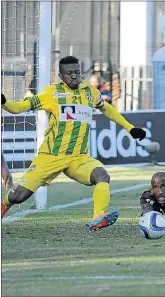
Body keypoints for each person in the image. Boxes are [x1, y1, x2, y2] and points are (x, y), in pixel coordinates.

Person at [1, 56, 147, 231]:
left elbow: (106, 108)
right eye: (69, 73)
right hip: (51, 156)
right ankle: (3, 205)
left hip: (78, 157)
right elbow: (21, 107)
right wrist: (5, 103)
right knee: (19, 196)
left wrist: (130, 128)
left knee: (102, 176)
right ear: (61, 77)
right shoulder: (51, 93)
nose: (74, 76)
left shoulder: (90, 92)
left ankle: (98, 217)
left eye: (77, 72)